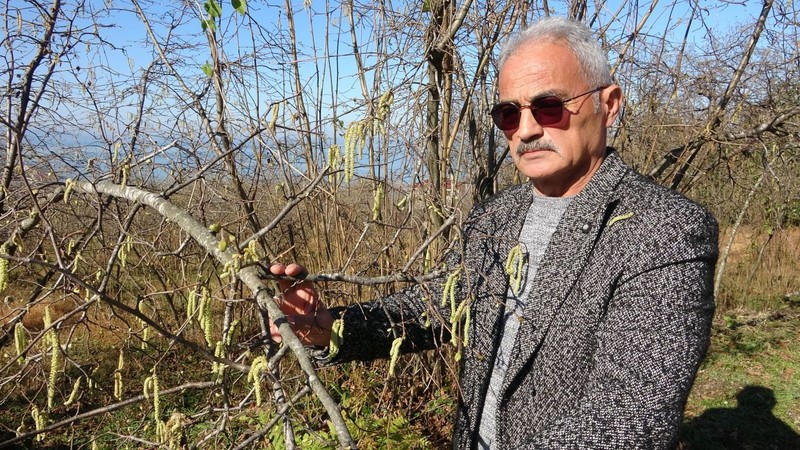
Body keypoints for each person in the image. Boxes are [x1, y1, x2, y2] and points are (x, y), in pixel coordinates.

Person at [269, 16, 718, 450]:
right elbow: (439, 308)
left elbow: (629, 415)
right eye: (508, 113)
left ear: (609, 104)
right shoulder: (494, 218)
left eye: (550, 106)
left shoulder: (664, 229)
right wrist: (332, 328)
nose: (527, 129)